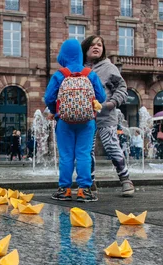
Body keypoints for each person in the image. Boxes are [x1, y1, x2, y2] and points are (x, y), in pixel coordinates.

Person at [44, 39, 106, 202]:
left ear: (63, 55)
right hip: (87, 122)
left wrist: (54, 111)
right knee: (84, 154)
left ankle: (64, 190)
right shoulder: (89, 73)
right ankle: (83, 190)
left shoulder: (60, 74)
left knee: (66, 155)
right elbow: (102, 97)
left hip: (64, 122)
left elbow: (48, 97)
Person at [81, 35, 133, 197]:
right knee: (87, 150)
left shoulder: (109, 67)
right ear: (85, 48)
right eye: (92, 45)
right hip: (84, 117)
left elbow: (122, 87)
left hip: (106, 115)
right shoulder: (79, 68)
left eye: (99, 45)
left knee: (111, 146)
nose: (96, 47)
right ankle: (90, 183)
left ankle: (125, 180)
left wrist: (112, 103)